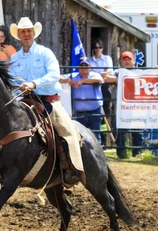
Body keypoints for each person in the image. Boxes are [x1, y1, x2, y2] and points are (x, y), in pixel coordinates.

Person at [9, 17, 85, 185]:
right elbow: (11, 80)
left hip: (48, 100)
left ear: (34, 33)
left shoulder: (45, 53)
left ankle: (71, 168)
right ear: (19, 35)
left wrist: (34, 84)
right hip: (24, 101)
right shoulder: (15, 59)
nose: (26, 34)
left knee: (66, 129)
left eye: (29, 31)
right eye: (23, 31)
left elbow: (54, 75)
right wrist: (18, 86)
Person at [105, 51, 145, 158]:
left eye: (129, 59)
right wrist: (121, 79)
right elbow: (107, 78)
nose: (127, 62)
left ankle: (137, 153)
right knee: (121, 130)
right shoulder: (119, 71)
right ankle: (121, 153)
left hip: (137, 105)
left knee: (137, 131)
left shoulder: (139, 71)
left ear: (134, 61)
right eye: (124, 59)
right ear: (121, 61)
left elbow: (145, 80)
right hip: (123, 106)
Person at [59, 57, 104, 144]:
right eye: (82, 66)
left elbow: (99, 80)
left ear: (90, 67)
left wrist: (82, 81)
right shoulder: (73, 76)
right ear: (79, 68)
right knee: (80, 133)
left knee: (95, 133)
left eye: (86, 66)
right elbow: (58, 78)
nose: (84, 69)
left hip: (94, 110)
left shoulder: (94, 75)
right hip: (79, 111)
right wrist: (67, 80)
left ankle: (98, 154)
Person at [89, 38, 114, 139]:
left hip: (104, 86)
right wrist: (101, 74)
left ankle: (104, 136)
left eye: (100, 47)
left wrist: (97, 74)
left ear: (102, 48)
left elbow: (110, 71)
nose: (98, 49)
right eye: (96, 47)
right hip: (94, 86)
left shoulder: (107, 58)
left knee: (106, 110)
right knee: (96, 109)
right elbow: (90, 73)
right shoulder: (90, 60)